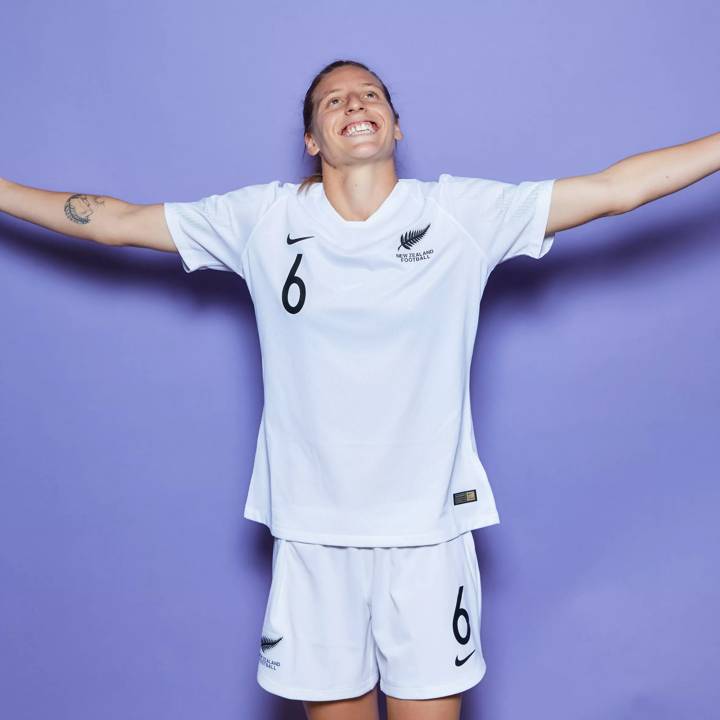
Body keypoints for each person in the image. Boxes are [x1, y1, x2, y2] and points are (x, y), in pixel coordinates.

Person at [1, 58, 718, 720]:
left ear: (395, 125)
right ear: (313, 139)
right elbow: (115, 223)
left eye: (371, 93)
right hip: (314, 536)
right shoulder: (263, 220)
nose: (356, 103)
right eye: (334, 100)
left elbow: (618, 190)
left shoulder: (462, 214)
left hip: (428, 536)